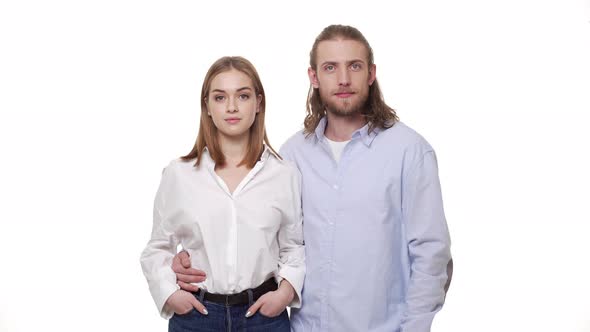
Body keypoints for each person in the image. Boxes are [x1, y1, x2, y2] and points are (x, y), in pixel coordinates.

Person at [173, 25, 452, 331]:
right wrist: (189, 259)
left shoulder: (410, 152)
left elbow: (432, 256)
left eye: (354, 66)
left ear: (371, 74)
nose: (343, 79)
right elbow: (264, 236)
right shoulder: (291, 155)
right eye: (330, 67)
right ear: (314, 77)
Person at [140, 56, 305, 332]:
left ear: (258, 103)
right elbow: (158, 247)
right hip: (197, 317)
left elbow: (293, 247)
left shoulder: (283, 174)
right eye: (219, 97)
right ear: (206, 106)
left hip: (263, 317)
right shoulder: (179, 175)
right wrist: (169, 294)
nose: (231, 107)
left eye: (242, 95)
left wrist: (284, 294)